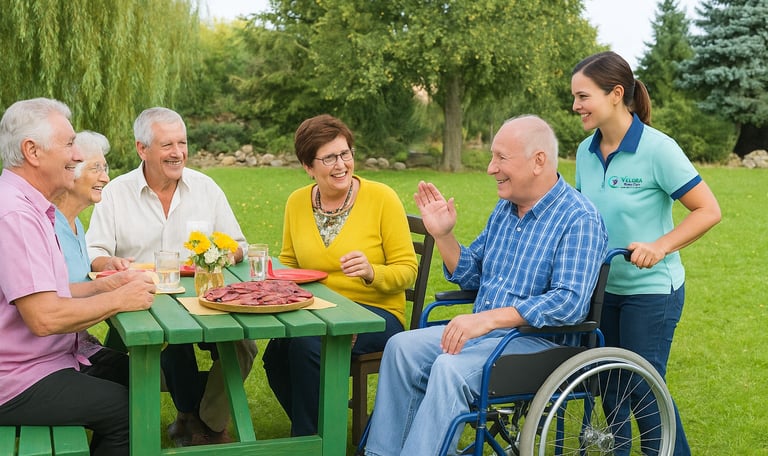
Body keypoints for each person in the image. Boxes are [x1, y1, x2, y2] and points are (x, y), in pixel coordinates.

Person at [363, 115, 608, 455]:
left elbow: (568, 302)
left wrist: (488, 319)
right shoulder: (506, 210)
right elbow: (472, 272)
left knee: (449, 368)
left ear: (538, 161)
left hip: (541, 346)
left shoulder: (579, 218)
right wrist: (443, 235)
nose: (491, 168)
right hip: (488, 336)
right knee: (401, 348)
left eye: (501, 158)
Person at [571, 51, 721, 456]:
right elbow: (584, 217)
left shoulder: (658, 149)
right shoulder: (585, 151)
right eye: (575, 97)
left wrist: (660, 245)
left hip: (652, 291)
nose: (576, 106)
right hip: (603, 289)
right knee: (609, 386)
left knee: (644, 389)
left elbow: (708, 210)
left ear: (616, 94)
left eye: (583, 96)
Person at [85, 107, 257, 446]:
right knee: (171, 346)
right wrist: (111, 262)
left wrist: (221, 254)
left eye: (182, 143)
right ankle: (194, 420)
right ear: (142, 149)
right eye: (167, 145)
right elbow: (94, 251)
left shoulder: (206, 188)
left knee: (243, 345)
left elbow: (239, 245)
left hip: (202, 297)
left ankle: (206, 420)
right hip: (141, 300)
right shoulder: (117, 192)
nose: (178, 152)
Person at [0, 98, 155, 456]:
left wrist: (103, 286)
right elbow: (45, 317)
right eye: (69, 144)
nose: (76, 155)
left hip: (48, 360)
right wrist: (119, 299)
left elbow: (44, 292)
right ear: (32, 151)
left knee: (139, 377)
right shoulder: (16, 215)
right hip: (16, 378)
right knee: (127, 409)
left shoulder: (30, 206)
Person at [262, 114, 418, 436]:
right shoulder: (297, 202)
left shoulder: (381, 198)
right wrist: (274, 282)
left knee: (306, 345)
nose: (341, 165)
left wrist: (372, 272)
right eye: (329, 158)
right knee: (275, 354)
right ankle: (321, 432)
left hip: (374, 314)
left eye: (345, 153)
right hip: (316, 310)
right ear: (308, 166)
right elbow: (289, 261)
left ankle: (308, 439)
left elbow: (407, 271)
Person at [51, 130, 129, 386]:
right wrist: (114, 294)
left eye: (105, 168)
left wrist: (110, 270)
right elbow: (52, 298)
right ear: (70, 172)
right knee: (138, 380)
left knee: (149, 372)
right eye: (96, 168)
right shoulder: (48, 226)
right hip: (54, 357)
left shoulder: (75, 225)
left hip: (78, 346)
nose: (106, 177)